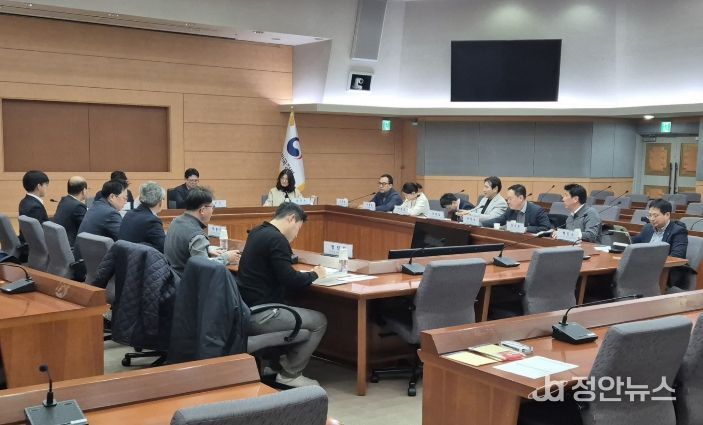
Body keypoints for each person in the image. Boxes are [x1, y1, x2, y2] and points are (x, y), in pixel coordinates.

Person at [236, 202, 328, 387]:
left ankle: (274, 366)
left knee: (291, 306)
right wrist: (315, 274)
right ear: (291, 218)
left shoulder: (257, 232)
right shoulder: (277, 239)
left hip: (247, 308)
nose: (296, 234)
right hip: (264, 313)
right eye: (298, 228)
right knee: (320, 321)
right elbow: (290, 280)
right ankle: (290, 375)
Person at [164, 187, 240, 276]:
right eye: (212, 207)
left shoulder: (175, 221)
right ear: (202, 210)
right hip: (186, 281)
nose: (212, 211)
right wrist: (226, 257)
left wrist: (206, 250)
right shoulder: (197, 235)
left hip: (172, 277)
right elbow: (204, 269)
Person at [74, 180, 128, 260]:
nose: (126, 202)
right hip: (94, 262)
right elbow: (125, 240)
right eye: (124, 198)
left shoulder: (96, 205)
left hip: (83, 259)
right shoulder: (111, 214)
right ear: (112, 197)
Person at [118, 182, 167, 252]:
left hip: (125, 255)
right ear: (160, 201)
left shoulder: (129, 213)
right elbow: (164, 247)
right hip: (138, 257)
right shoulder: (152, 221)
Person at [483, 184, 551, 233]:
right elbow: (499, 220)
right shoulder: (510, 210)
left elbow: (546, 228)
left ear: (521, 198)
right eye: (507, 199)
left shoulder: (537, 210)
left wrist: (525, 229)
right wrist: (481, 224)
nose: (508, 202)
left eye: (510, 199)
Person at [52, 176, 88, 247]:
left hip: (58, 244)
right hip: (71, 246)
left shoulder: (64, 200)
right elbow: (87, 228)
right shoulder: (78, 206)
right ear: (84, 190)